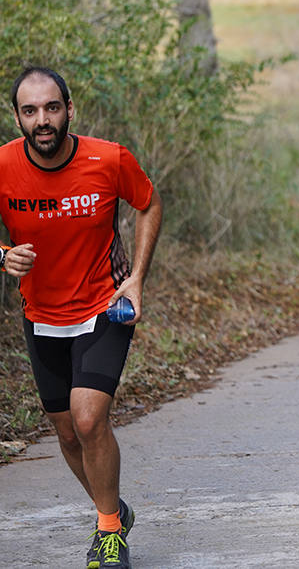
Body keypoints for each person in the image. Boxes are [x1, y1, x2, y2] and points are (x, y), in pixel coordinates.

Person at [3, 67, 163, 569]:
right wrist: (1, 254)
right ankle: (110, 508)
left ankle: (109, 533)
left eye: (51, 107)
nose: (42, 120)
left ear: (69, 110)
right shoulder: (3, 165)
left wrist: (136, 277)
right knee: (67, 432)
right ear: (17, 118)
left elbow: (150, 202)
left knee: (89, 419)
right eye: (30, 111)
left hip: (104, 306)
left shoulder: (109, 158)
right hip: (41, 315)